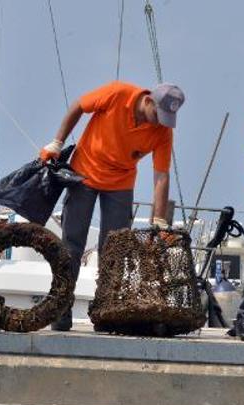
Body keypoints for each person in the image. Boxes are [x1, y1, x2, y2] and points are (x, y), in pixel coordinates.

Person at [40, 81, 185, 331]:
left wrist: (159, 220)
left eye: (166, 119)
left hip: (121, 183)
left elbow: (161, 175)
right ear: (148, 100)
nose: (159, 122)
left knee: (115, 250)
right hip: (85, 173)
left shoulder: (163, 131)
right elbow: (78, 106)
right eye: (157, 115)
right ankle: (61, 307)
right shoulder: (117, 93)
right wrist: (57, 142)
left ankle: (106, 311)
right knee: (72, 244)